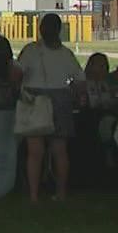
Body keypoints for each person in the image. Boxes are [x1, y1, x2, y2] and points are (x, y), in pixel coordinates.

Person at [16, 13, 84, 203]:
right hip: (61, 98)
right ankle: (61, 193)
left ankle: (34, 195)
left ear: (40, 29)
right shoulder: (66, 54)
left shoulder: (30, 50)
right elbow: (80, 80)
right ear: (60, 30)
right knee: (60, 151)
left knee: (35, 152)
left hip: (35, 99)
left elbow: (17, 72)